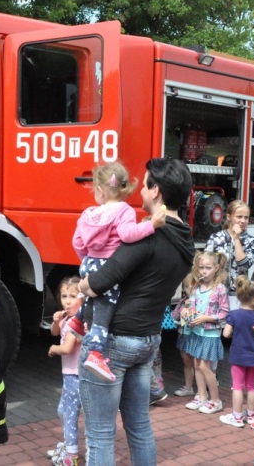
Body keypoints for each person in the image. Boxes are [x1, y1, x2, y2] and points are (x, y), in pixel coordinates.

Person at [77, 158, 195, 466]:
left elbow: (99, 283)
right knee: (140, 426)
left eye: (144, 185)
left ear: (156, 192)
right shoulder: (185, 238)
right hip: (148, 340)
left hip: (114, 341)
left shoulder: (149, 234)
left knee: (100, 434)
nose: (139, 191)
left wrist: (82, 285)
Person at [70, 162, 166, 381]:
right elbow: (127, 234)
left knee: (92, 298)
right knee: (104, 312)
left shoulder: (88, 213)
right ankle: (95, 353)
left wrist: (86, 262)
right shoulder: (124, 210)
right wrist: (151, 225)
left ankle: (76, 321)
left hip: (89, 262)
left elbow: (77, 242)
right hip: (108, 265)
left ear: (101, 190)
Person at [178, 251, 229, 414]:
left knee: (204, 366)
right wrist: (186, 312)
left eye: (208, 268)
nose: (204, 271)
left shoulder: (220, 289)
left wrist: (206, 318)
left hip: (210, 333)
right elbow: (192, 307)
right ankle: (201, 396)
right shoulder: (196, 287)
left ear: (216, 268)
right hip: (196, 331)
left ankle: (216, 400)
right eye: (201, 268)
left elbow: (224, 312)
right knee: (196, 365)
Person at [46, 277, 82, 466]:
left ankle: (71, 455)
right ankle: (68, 445)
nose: (67, 301)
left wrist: (54, 349)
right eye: (64, 296)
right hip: (69, 373)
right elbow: (55, 332)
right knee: (63, 410)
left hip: (76, 375)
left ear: (82, 299)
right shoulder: (68, 319)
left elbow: (67, 348)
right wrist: (55, 322)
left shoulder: (77, 322)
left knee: (69, 414)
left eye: (73, 296)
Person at [219, 275, 254, 428]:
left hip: (238, 355)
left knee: (237, 386)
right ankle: (251, 416)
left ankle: (237, 417)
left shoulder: (234, 315)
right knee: (251, 386)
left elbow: (226, 334)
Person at [205, 200, 254, 305]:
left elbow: (244, 265)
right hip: (215, 291)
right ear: (228, 217)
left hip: (239, 294)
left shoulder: (252, 241)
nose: (243, 221)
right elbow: (205, 265)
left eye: (246, 218)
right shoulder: (216, 238)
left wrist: (236, 239)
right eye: (239, 217)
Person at [171, 288, 197, 398]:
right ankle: (188, 387)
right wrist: (184, 307)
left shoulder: (202, 299)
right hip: (184, 333)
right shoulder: (183, 300)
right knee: (187, 362)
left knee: (199, 364)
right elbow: (174, 316)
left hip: (197, 335)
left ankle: (202, 392)